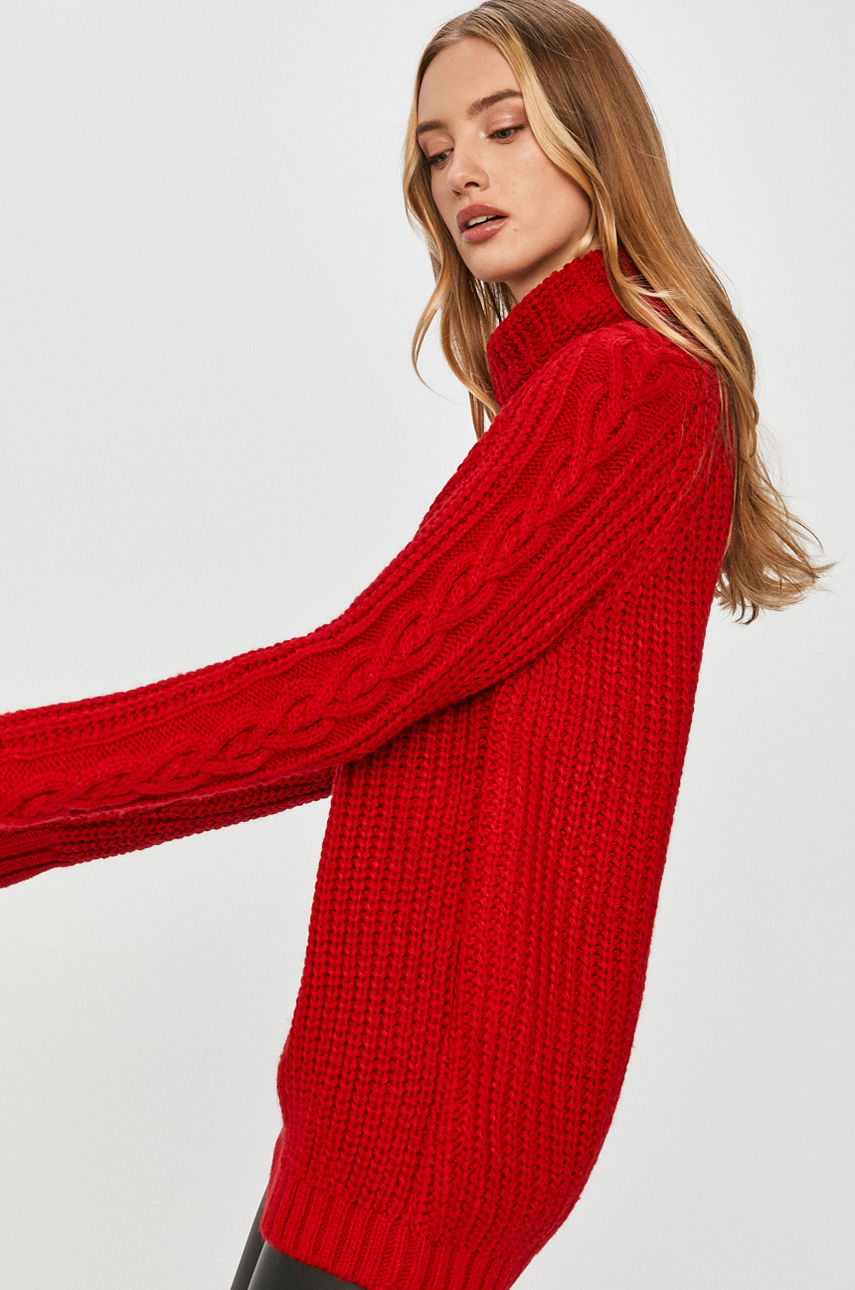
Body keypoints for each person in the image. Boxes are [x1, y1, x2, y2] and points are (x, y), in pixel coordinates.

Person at [0, 3, 833, 1288]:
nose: (463, 176)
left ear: (597, 139)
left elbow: (344, 688)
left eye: (505, 129)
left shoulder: (624, 387)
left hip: (442, 1106)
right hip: (389, 1091)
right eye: (438, 151)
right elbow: (359, 722)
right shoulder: (581, 390)